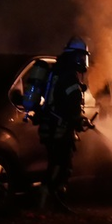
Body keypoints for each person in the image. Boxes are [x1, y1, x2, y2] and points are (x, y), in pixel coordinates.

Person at [37, 36, 93, 213]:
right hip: (60, 128)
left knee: (55, 163)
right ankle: (45, 202)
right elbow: (71, 105)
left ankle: (51, 203)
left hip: (50, 125)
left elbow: (57, 101)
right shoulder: (69, 76)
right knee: (61, 165)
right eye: (81, 56)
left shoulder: (56, 71)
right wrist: (79, 119)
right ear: (75, 55)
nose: (83, 61)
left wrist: (78, 119)